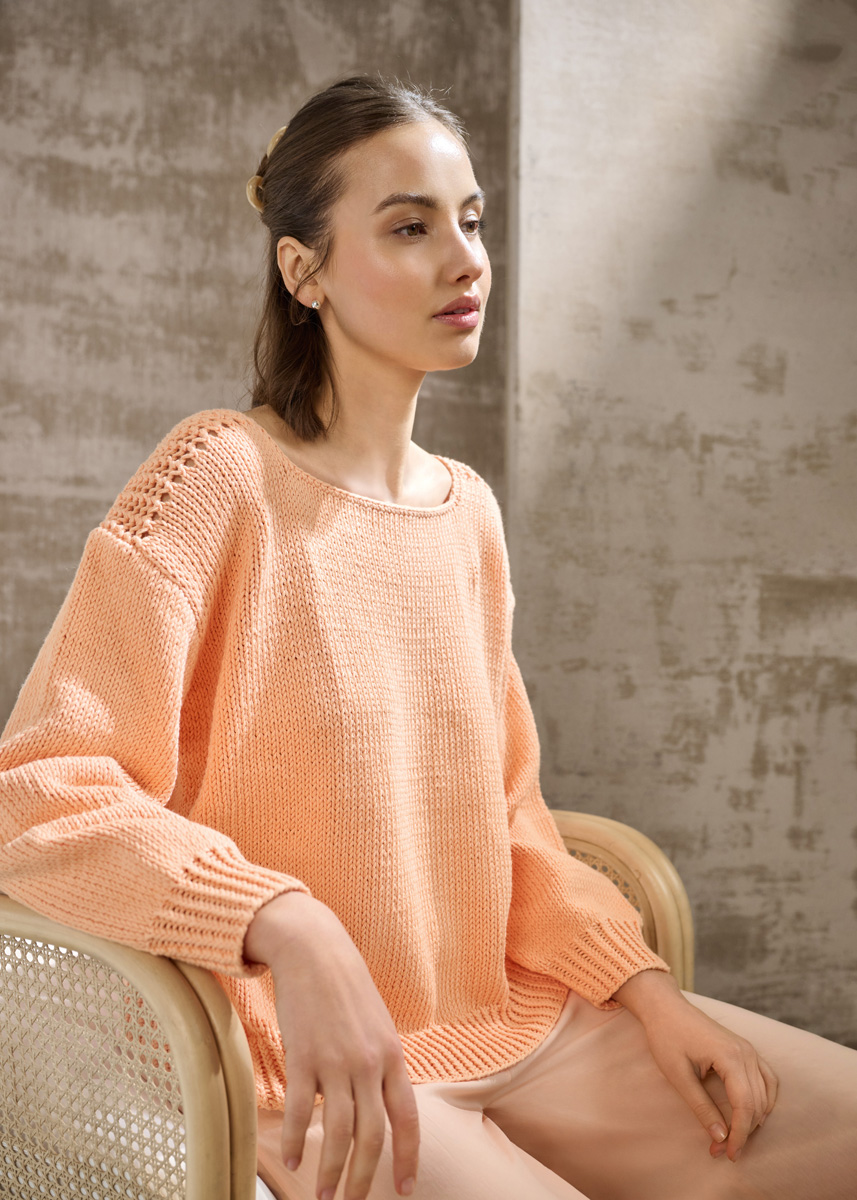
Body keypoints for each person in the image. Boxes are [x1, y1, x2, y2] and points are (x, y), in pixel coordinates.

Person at [0, 74, 855, 1200]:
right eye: (409, 227)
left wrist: (644, 989)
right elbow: (43, 789)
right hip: (307, 1064)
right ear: (302, 270)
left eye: (471, 221)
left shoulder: (468, 513)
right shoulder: (216, 478)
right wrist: (283, 919)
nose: (464, 262)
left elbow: (509, 818)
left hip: (518, 1021)